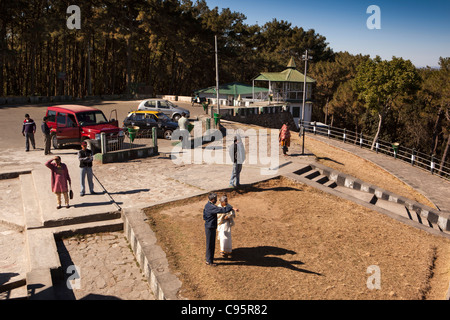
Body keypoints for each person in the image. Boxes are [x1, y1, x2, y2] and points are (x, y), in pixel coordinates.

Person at [203, 192, 236, 267]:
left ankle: (209, 258)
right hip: (210, 227)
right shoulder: (212, 207)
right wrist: (231, 208)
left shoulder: (207, 205)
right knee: (210, 244)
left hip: (208, 226)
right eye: (215, 199)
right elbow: (222, 210)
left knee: (209, 244)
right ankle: (209, 261)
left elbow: (204, 216)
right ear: (213, 199)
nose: (216, 200)